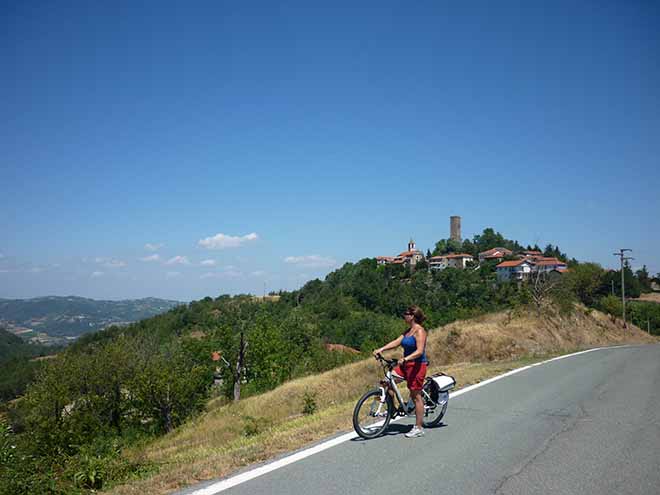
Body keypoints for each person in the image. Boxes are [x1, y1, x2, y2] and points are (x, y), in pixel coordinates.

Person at [373, 305, 428, 438]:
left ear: (412, 316)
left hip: (417, 365)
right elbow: (396, 342)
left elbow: (420, 351)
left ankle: (419, 428)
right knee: (387, 381)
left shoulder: (420, 331)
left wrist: (406, 358)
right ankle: (392, 410)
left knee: (416, 396)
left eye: (406, 314)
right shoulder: (408, 331)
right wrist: (381, 349)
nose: (404, 316)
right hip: (405, 365)